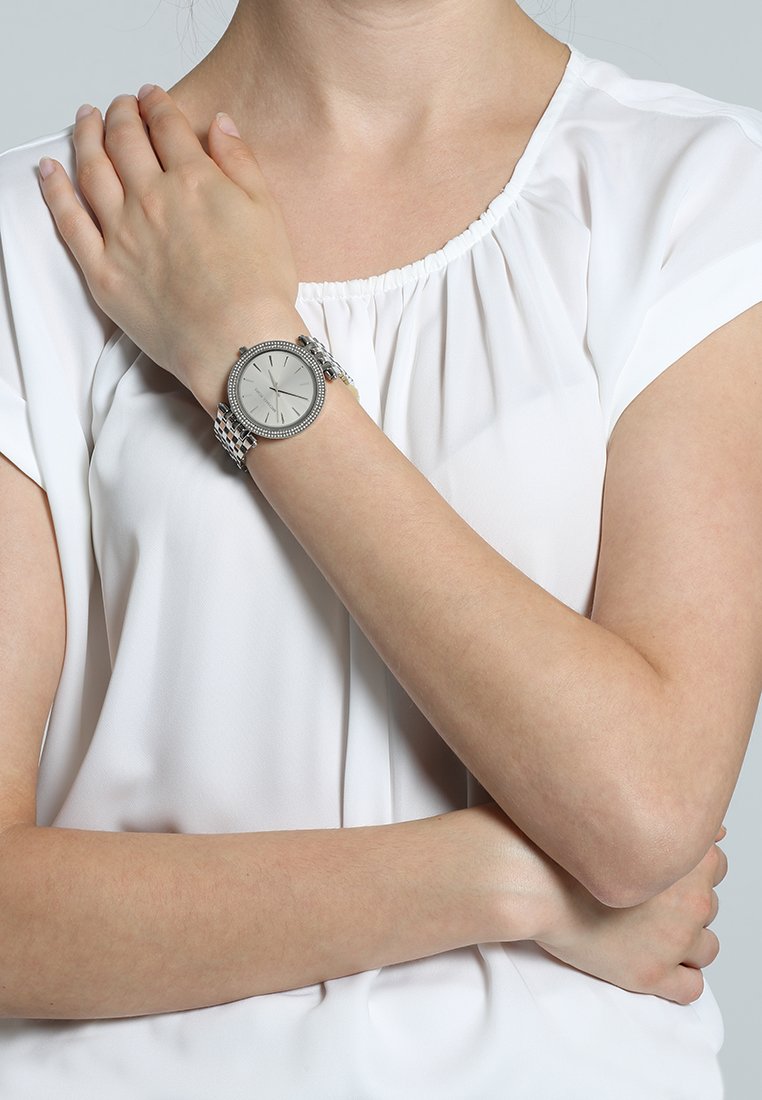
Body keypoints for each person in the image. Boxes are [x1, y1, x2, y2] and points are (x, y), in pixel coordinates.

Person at [0, 0, 759, 1095]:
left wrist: (248, 351)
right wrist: (495, 882)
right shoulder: (47, 232)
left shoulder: (692, 191)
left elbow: (639, 813)